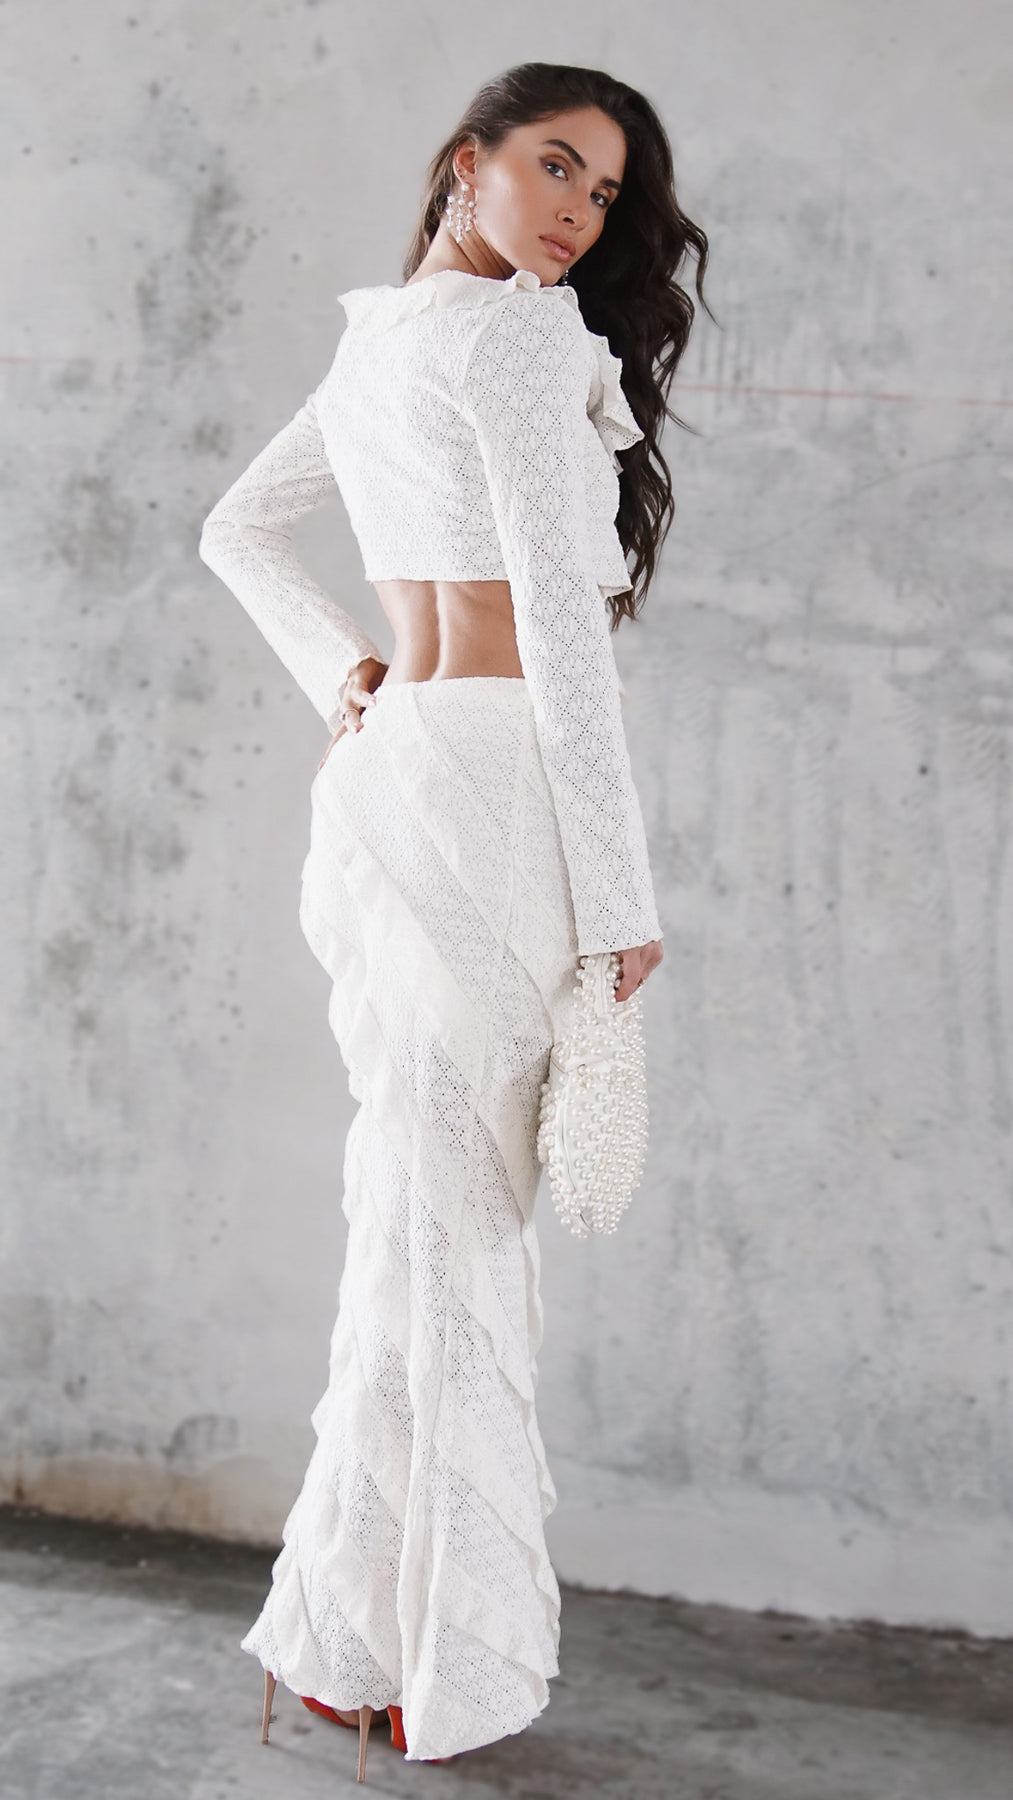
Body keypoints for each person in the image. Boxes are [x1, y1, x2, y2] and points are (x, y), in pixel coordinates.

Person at [198, 59, 708, 1783]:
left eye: (602, 193)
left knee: (411, 1221)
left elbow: (238, 531)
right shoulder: (512, 345)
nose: (577, 213)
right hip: (493, 790)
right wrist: (620, 903)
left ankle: (348, 1640)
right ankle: (422, 1659)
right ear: (465, 163)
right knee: (458, 1237)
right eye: (554, 167)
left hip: (394, 771)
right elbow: (557, 636)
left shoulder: (378, 344)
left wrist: (345, 674)